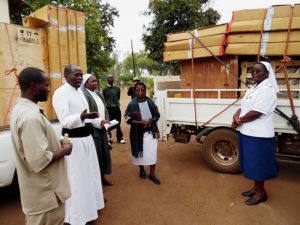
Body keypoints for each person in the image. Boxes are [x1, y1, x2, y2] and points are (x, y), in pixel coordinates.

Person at [10, 67, 72, 225]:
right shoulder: (31, 117)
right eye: (46, 85)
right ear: (33, 86)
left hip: (41, 195)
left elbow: (34, 147)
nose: (49, 89)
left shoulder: (21, 110)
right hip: (46, 196)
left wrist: (53, 143)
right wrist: (64, 150)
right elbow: (39, 160)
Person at [52, 65, 104, 224]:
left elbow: (85, 117)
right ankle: (77, 217)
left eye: (81, 75)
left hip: (87, 139)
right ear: (66, 75)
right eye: (77, 75)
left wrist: (97, 121)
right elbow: (65, 120)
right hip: (74, 142)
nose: (80, 78)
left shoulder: (79, 91)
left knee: (90, 174)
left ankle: (90, 210)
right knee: (77, 180)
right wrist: (81, 117)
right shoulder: (60, 93)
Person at [231, 61, 278, 205]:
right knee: (252, 163)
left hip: (259, 134)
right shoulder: (254, 88)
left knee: (259, 164)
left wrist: (239, 121)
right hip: (248, 132)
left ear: (267, 74)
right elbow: (244, 106)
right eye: (253, 71)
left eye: (259, 71)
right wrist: (236, 116)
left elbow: (257, 112)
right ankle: (255, 188)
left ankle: (260, 194)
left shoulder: (268, 90)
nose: (255, 73)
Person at [124, 82, 161, 185]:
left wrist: (151, 121)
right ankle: (142, 169)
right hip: (137, 133)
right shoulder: (132, 104)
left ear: (145, 91)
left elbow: (157, 114)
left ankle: (152, 174)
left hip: (150, 132)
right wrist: (139, 122)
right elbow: (127, 118)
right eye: (138, 90)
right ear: (135, 92)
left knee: (152, 153)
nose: (140, 92)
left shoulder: (150, 102)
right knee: (140, 154)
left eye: (142, 90)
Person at [81, 73, 113, 186]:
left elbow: (105, 109)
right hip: (93, 131)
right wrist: (99, 123)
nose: (95, 83)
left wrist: (107, 121)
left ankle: (102, 177)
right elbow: (87, 115)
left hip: (103, 128)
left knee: (104, 154)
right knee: (96, 156)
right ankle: (96, 182)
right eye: (92, 81)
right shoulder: (84, 96)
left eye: (95, 81)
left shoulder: (98, 94)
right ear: (85, 84)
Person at [102, 74, 126, 144]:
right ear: (107, 79)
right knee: (108, 123)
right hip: (108, 109)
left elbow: (118, 97)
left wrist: (115, 103)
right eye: (109, 78)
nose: (110, 79)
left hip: (116, 108)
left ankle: (120, 138)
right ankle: (108, 139)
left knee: (118, 123)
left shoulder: (117, 88)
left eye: (112, 78)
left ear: (113, 79)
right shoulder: (105, 89)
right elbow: (104, 99)